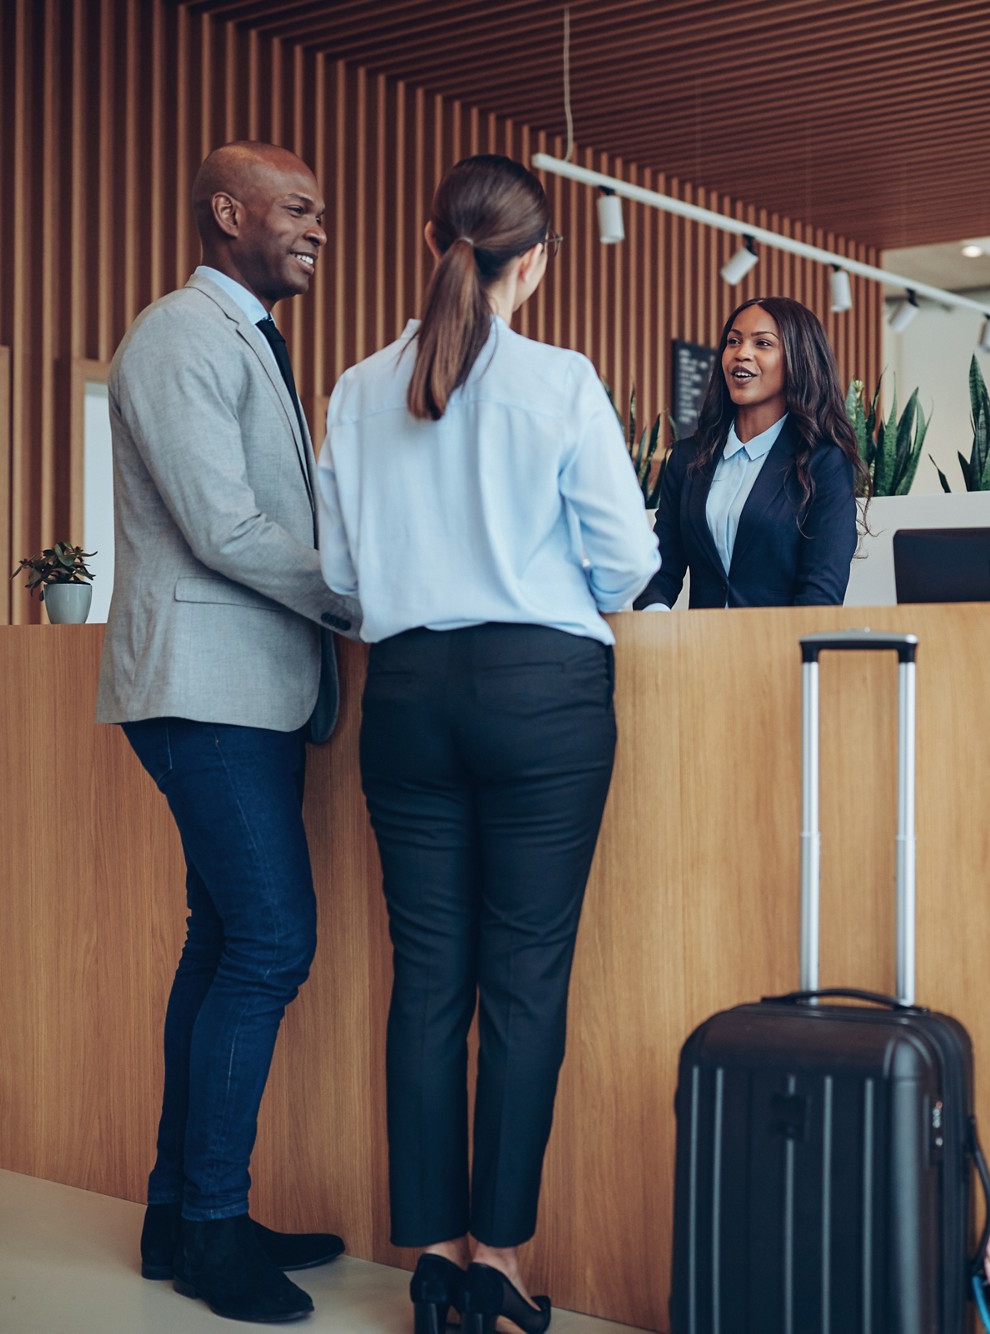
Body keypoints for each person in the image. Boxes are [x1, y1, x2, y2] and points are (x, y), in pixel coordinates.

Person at [316, 154, 658, 1334]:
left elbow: (340, 580)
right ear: (538, 263)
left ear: (430, 238)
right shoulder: (560, 382)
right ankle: (498, 1259)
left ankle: (432, 1260)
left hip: (405, 694)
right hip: (540, 694)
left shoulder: (356, 388)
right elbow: (625, 564)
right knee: (522, 980)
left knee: (428, 981)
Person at [96, 141, 359, 1324]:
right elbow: (221, 524)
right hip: (204, 693)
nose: (316, 227)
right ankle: (210, 1229)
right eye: (297, 208)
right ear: (226, 211)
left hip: (242, 693)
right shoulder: (180, 335)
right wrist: (357, 592)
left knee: (219, 946)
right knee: (268, 946)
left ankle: (178, 1215)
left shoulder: (239, 335)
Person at [635, 295, 864, 609]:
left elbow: (821, 591)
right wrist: (656, 618)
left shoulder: (824, 463)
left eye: (763, 344)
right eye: (733, 341)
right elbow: (661, 568)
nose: (742, 354)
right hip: (696, 649)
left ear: (798, 358)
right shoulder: (688, 458)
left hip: (777, 650)